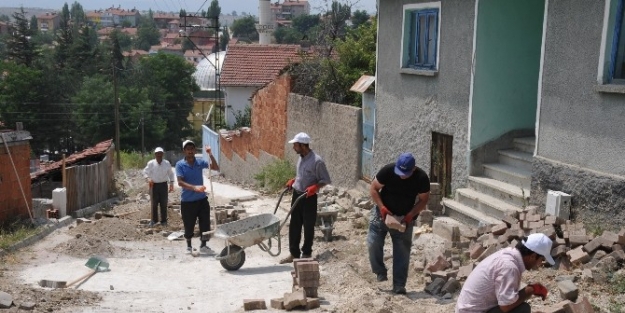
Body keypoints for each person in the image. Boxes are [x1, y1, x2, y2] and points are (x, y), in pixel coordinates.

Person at [367, 152, 430, 294]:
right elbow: (373, 188)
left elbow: (424, 200)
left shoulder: (421, 178)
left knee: (402, 251)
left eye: (405, 173)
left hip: (404, 218)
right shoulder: (388, 171)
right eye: (400, 172)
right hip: (382, 214)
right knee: (373, 243)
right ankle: (380, 271)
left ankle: (399, 285)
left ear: (413, 169)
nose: (402, 175)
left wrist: (410, 215)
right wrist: (382, 208)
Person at [455, 233, 553, 313]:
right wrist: (532, 289)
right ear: (532, 256)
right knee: (523, 309)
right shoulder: (509, 267)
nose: (540, 263)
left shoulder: (508, 255)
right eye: (541, 259)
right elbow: (506, 306)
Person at [279, 132, 331, 264]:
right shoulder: (301, 157)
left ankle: (306, 252)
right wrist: (294, 180)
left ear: (302, 145)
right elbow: (302, 175)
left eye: (295, 145)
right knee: (294, 224)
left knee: (308, 226)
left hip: (309, 197)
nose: (293, 147)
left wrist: (315, 187)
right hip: (297, 194)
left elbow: (325, 180)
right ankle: (294, 253)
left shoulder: (317, 161)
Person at [175, 140, 219, 254]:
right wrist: (194, 188)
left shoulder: (199, 162)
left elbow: (215, 167)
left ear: (195, 150)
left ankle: (204, 245)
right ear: (184, 151)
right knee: (188, 223)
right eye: (187, 149)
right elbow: (180, 182)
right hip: (188, 201)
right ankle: (189, 246)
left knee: (205, 222)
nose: (190, 151)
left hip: (201, 200)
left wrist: (210, 154)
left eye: (192, 148)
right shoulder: (180, 165)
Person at [143, 147, 175, 227]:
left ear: (163, 154)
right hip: (154, 185)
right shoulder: (151, 163)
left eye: (160, 153)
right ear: (155, 154)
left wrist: (171, 183)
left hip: (164, 185)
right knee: (154, 203)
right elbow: (145, 172)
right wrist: (148, 178)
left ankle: (164, 221)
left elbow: (171, 173)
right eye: (157, 153)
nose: (159, 155)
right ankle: (154, 220)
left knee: (164, 203)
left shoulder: (167, 163)